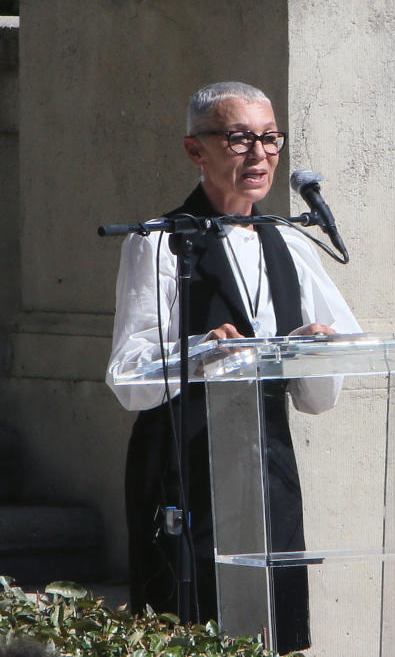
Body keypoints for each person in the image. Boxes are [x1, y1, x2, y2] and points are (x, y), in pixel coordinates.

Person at [105, 81, 360, 652]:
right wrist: (201, 353)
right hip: (182, 468)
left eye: (270, 139)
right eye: (240, 138)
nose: (260, 155)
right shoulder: (159, 242)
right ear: (197, 151)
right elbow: (127, 376)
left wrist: (310, 348)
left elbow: (319, 394)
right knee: (189, 629)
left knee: (274, 628)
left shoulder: (290, 243)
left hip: (267, 469)